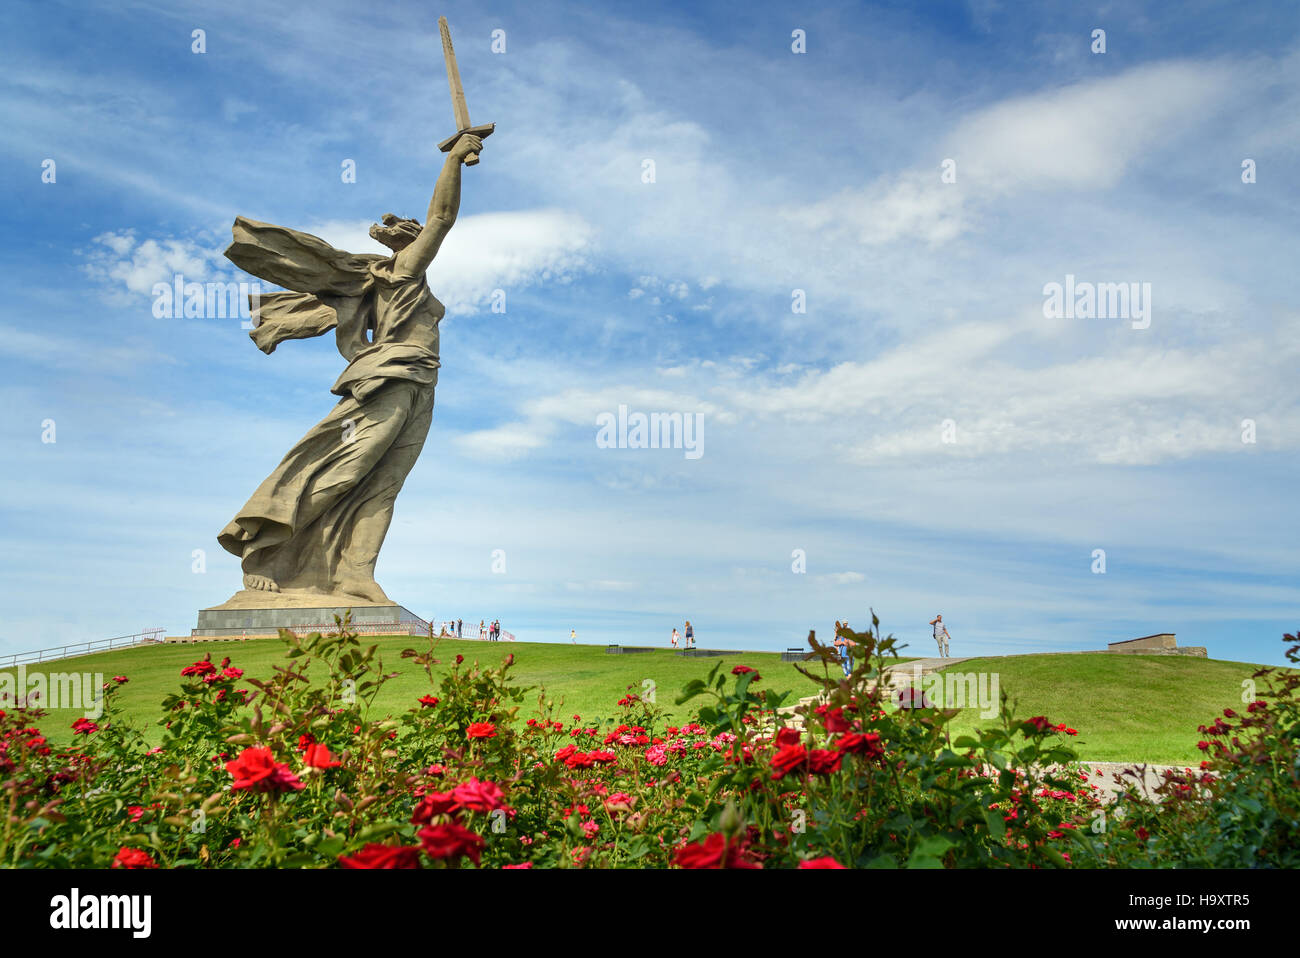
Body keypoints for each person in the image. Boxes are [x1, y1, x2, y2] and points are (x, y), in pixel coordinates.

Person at [216, 134, 485, 602]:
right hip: (393, 377)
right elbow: (442, 218)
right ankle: (265, 550)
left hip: (421, 379)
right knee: (346, 467)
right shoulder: (401, 272)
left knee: (383, 485)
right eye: (413, 233)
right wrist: (455, 160)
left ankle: (354, 572)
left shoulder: (404, 283)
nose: (420, 233)